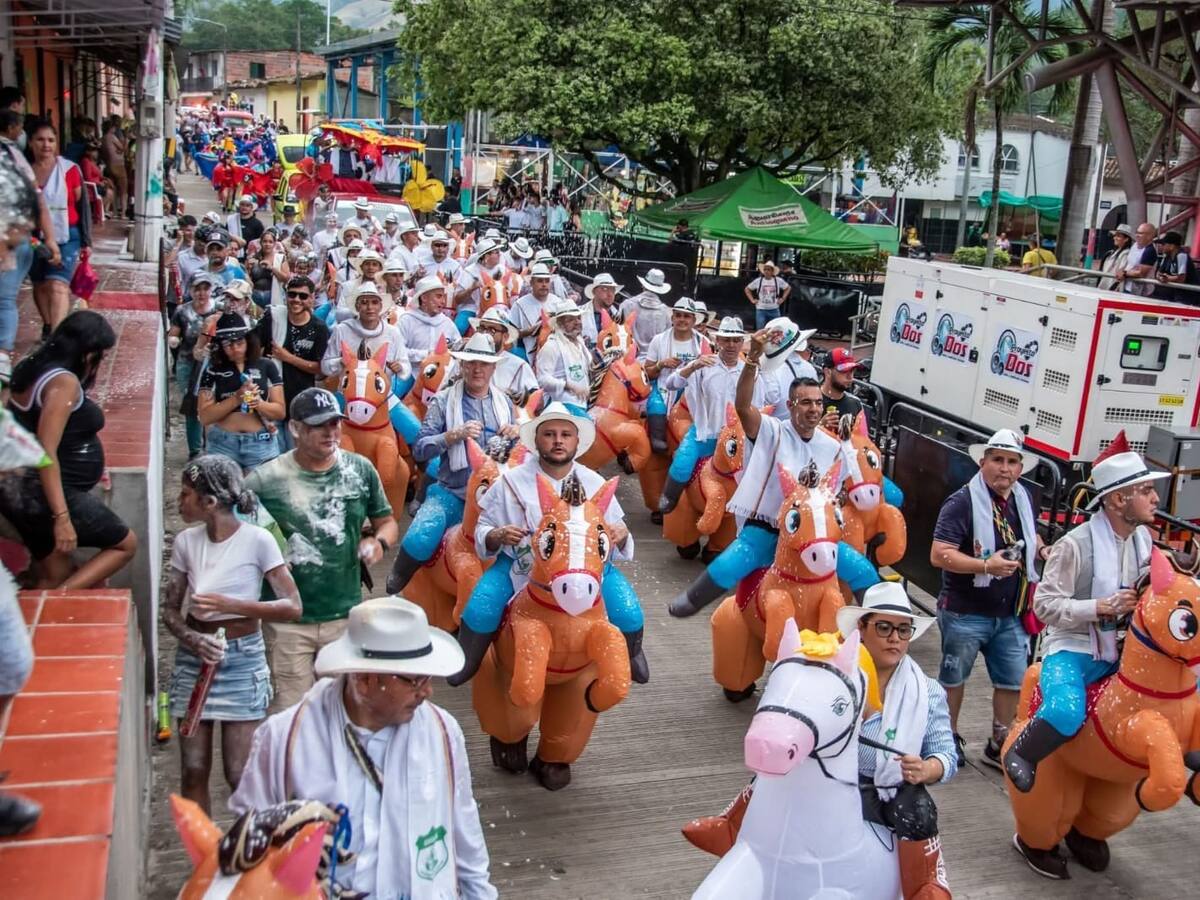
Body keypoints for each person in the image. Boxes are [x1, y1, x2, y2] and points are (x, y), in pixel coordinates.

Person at [684, 582, 955, 899]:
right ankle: (730, 824)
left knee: (917, 805)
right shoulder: (834, 667)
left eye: (904, 630)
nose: (895, 638)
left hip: (880, 786)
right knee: (774, 766)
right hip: (822, 770)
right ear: (862, 628)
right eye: (884, 627)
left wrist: (928, 768)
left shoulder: (926, 691)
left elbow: (946, 754)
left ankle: (924, 884)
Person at [230, 596, 497, 899]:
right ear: (364, 679)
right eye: (414, 680)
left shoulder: (443, 731)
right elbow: (247, 841)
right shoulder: (282, 739)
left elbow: (464, 825)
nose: (427, 691)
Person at [1005, 448, 1165, 875]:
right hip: (1072, 650)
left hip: (1121, 652)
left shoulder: (1144, 540)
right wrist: (1100, 607)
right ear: (1117, 500)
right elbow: (1045, 606)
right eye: (1145, 490)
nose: (1155, 498)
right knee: (1064, 709)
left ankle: (1091, 826)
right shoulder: (1074, 545)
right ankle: (1021, 756)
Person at [452, 402, 647, 685]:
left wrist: (622, 533)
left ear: (576, 441)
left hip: (588, 569)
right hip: (520, 565)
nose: (558, 441)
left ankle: (633, 652)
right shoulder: (509, 483)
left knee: (628, 610)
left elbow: (618, 528)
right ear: (536, 440)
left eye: (565, 434)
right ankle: (468, 659)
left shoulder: (593, 482)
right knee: (483, 604)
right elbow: (483, 528)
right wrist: (496, 535)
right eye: (550, 434)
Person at [669, 329, 844, 619]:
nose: (813, 409)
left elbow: (838, 491)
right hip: (768, 524)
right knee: (735, 559)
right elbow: (742, 406)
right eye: (806, 403)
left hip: (813, 533)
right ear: (790, 406)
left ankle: (872, 614)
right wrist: (752, 358)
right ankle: (694, 597)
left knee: (853, 565)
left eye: (817, 403)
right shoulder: (772, 429)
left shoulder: (831, 446)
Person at [162, 455, 302, 815]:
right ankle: (203, 856)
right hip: (195, 659)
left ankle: (248, 857)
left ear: (209, 503)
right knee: (193, 769)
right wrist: (193, 639)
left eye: (186, 494)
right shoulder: (185, 543)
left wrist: (232, 604)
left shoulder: (258, 541)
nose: (179, 502)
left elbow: (291, 605)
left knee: (240, 773)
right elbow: (170, 611)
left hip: (242, 659)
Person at [245, 387, 399, 711]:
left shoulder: (360, 471)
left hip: (344, 614)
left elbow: (388, 522)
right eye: (319, 425)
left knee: (340, 713)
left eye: (335, 423)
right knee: (294, 717)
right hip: (287, 621)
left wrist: (377, 542)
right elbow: (239, 541)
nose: (330, 432)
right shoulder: (264, 481)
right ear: (295, 429)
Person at [929, 428, 1045, 769]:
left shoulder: (1023, 498)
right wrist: (985, 565)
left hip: (1010, 611)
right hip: (965, 612)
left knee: (1012, 681)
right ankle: (946, 739)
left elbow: (1029, 535)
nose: (1004, 469)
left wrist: (1043, 549)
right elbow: (939, 554)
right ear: (983, 462)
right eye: (997, 460)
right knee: (953, 680)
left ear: (1021, 468)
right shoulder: (961, 502)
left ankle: (999, 743)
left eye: (1011, 462)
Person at [0, 311, 136, 588]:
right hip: (43, 494)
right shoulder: (63, 383)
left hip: (23, 490)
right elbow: (46, 451)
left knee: (52, 573)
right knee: (125, 544)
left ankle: (54, 593)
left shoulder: (32, 367)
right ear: (88, 354)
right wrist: (62, 518)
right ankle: (62, 597)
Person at [385, 333, 520, 593]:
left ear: (493, 368)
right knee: (420, 535)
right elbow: (421, 449)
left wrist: (516, 434)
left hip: (498, 497)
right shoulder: (444, 400)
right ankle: (397, 582)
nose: (477, 369)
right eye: (470, 362)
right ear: (462, 366)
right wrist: (452, 436)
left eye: (483, 363)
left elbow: (519, 455)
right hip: (454, 492)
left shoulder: (504, 402)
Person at [658, 315, 752, 515]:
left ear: (742, 343)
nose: (731, 345)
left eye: (736, 340)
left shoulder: (748, 372)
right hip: (705, 432)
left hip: (736, 438)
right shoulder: (704, 366)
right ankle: (670, 496)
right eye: (726, 340)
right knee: (683, 461)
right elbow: (671, 384)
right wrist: (693, 366)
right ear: (717, 341)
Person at [0, 113, 53, 377]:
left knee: (6, 299)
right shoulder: (17, 159)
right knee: (6, 299)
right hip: (19, 239)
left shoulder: (12, 158)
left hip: (17, 240)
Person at [198, 314, 286, 470]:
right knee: (221, 491)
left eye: (240, 342)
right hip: (223, 443)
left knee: (265, 491)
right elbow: (205, 417)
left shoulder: (266, 366)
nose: (235, 349)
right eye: (228, 345)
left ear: (248, 341)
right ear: (220, 346)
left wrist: (258, 403)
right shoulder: (212, 370)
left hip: (261, 442)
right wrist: (237, 399)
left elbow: (280, 411)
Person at [28, 120, 88, 333]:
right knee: (40, 284)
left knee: (58, 285)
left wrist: (86, 240)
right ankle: (47, 324)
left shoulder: (69, 169)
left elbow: (82, 206)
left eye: (51, 140)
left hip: (67, 235)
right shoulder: (24, 171)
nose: (46, 145)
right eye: (40, 140)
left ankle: (56, 335)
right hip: (33, 237)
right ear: (31, 142)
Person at [257, 275, 329, 450]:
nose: (296, 299)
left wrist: (288, 358)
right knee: (270, 458)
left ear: (312, 298)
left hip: (299, 403)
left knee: (295, 456)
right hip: (270, 399)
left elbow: (320, 370)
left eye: (303, 296)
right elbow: (251, 347)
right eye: (292, 294)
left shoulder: (319, 328)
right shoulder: (273, 318)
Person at [169, 273, 221, 459]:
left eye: (205, 288)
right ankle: (195, 449)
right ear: (190, 290)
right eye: (197, 289)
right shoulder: (182, 311)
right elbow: (174, 333)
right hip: (188, 363)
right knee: (192, 404)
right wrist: (173, 339)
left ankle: (213, 446)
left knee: (213, 404)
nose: (201, 293)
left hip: (213, 363)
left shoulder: (218, 309)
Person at [320, 283, 411, 382]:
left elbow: (406, 367)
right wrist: (340, 362)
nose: (369, 307)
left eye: (374, 302)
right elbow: (325, 366)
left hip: (381, 392)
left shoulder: (392, 332)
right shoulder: (342, 330)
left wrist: (400, 367)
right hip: (348, 392)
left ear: (380, 306)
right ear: (357, 307)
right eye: (364, 302)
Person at [463, 306, 538, 404]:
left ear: (505, 337)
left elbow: (535, 400)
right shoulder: (465, 359)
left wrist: (516, 400)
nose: (485, 334)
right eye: (481, 328)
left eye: (492, 330)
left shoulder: (519, 365)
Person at [535, 297, 592, 404]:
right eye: (570, 320)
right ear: (560, 324)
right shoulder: (552, 346)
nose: (577, 322)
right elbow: (542, 379)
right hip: (560, 405)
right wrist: (567, 385)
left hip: (582, 403)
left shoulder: (580, 343)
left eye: (578, 318)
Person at [398, 275, 461, 366]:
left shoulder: (447, 323)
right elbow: (398, 351)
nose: (443, 301)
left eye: (443, 297)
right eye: (438, 296)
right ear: (424, 298)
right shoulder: (406, 321)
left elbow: (457, 349)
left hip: (442, 376)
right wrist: (426, 355)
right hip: (412, 374)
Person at [618, 268, 673, 359]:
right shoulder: (666, 312)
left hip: (628, 359)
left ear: (643, 285)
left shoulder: (627, 305)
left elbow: (618, 332)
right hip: (655, 361)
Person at [820, 347, 866, 430]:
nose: (850, 377)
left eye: (852, 371)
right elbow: (795, 438)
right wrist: (819, 427)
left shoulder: (856, 404)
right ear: (827, 372)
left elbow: (863, 440)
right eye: (844, 371)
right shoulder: (810, 400)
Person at [246, 228, 289, 307]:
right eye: (265, 241)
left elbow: (286, 278)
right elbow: (247, 279)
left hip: (273, 295)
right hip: (255, 295)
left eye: (270, 242)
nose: (267, 244)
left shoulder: (280, 258)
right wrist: (249, 268)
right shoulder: (253, 258)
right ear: (261, 243)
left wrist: (272, 268)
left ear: (274, 243)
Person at [744, 260, 792, 331]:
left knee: (775, 330)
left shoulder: (778, 280)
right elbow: (747, 289)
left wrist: (782, 298)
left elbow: (788, 288)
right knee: (760, 330)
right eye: (765, 269)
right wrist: (752, 300)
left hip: (774, 309)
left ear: (772, 271)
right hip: (761, 309)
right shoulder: (758, 281)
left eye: (768, 270)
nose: (766, 271)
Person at [579, 272, 623, 348]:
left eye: (612, 290)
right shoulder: (579, 313)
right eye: (604, 289)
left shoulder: (620, 317)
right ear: (594, 292)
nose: (610, 294)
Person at [1154, 230, 1196, 303]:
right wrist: (1161, 277)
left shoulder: (1182, 255)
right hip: (1174, 293)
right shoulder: (1166, 256)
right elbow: (1158, 273)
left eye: (1163, 244)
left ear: (1172, 246)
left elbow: (1181, 278)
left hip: (1187, 296)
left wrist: (1167, 278)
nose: (1161, 246)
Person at [1117, 222, 1158, 296]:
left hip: (1141, 291)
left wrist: (1124, 273)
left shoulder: (1150, 251)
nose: (1137, 235)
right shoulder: (1135, 245)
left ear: (1150, 236)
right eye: (1137, 232)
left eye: (1141, 233)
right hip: (1127, 286)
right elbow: (1129, 263)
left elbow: (1141, 273)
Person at [101, 115, 128, 219]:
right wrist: (125, 137)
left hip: (109, 165)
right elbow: (123, 148)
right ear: (111, 128)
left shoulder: (103, 138)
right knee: (123, 190)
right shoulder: (111, 137)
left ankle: (112, 211)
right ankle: (123, 214)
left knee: (113, 188)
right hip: (118, 165)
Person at [227, 195, 265, 259]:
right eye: (242, 205)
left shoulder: (257, 224)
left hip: (249, 257)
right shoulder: (231, 220)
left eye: (247, 205)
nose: (244, 207)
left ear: (251, 207)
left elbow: (260, 242)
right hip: (232, 254)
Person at [1097, 223, 1133, 291]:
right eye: (1115, 236)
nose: (1115, 238)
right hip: (1105, 285)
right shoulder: (1113, 252)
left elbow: (1120, 272)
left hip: (1112, 288)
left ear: (1126, 239)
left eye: (1118, 236)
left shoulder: (1126, 254)